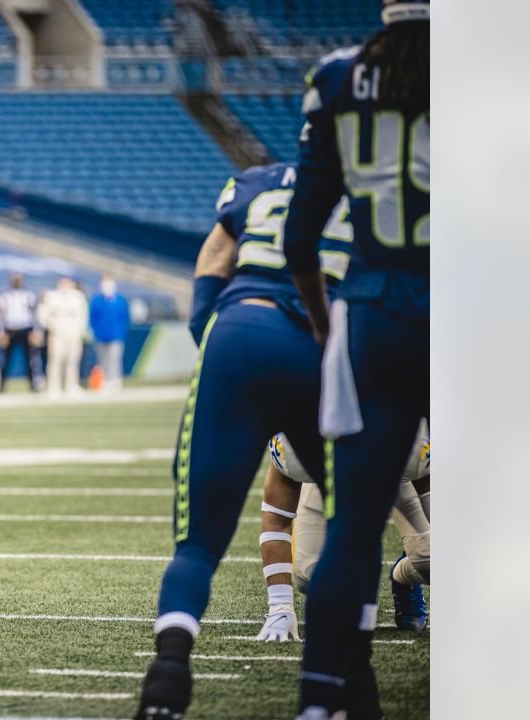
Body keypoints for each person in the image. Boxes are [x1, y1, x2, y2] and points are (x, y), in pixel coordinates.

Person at [134, 162, 351, 720]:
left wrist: (208, 327)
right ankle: (335, 694)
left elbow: (213, 258)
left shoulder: (257, 182)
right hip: (318, 342)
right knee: (353, 532)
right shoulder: (371, 180)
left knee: (198, 544)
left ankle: (166, 685)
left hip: (237, 333)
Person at [281, 3, 430, 716]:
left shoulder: (341, 74)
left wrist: (321, 324)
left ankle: (325, 697)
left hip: (373, 311)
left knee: (354, 523)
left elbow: (299, 235)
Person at [256, 425, 430, 643]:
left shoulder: (409, 440)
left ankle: (404, 576)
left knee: (433, 559)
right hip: (328, 483)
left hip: (398, 475)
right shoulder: (295, 446)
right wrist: (280, 606)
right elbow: (276, 518)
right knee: (311, 576)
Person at [38, 277, 89, 397]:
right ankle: (53, 387)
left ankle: (72, 386)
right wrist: (54, 327)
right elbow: (43, 315)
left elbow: (83, 317)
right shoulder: (52, 297)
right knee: (55, 361)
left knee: (73, 361)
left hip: (74, 335)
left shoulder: (78, 297)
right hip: (58, 335)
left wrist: (79, 331)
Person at [0, 273, 42, 392]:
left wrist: (36, 330)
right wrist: (1, 331)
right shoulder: (5, 295)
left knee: (30, 359)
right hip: (10, 329)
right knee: (5, 359)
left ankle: (33, 385)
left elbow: (35, 313)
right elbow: (0, 315)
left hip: (26, 328)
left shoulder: (28, 294)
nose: (17, 281)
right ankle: (1, 386)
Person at [89, 276, 131, 393]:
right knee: (103, 360)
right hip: (101, 336)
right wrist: (96, 332)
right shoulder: (97, 301)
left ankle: (115, 381)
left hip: (116, 335)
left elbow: (125, 318)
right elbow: (93, 319)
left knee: (115, 359)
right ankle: (105, 381)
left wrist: (121, 333)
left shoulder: (120, 300)